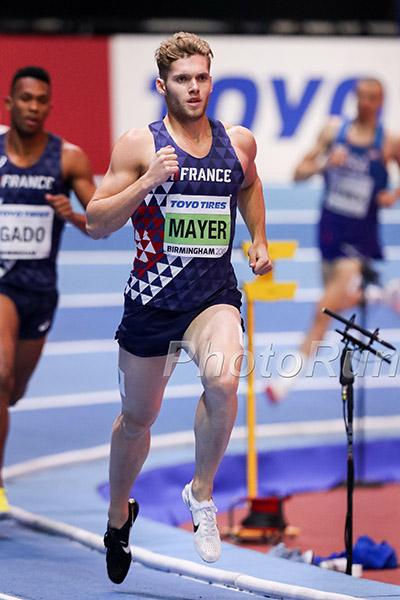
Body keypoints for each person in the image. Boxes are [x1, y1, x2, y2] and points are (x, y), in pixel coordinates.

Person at [86, 31, 272, 583]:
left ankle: (202, 492)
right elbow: (95, 221)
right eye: (183, 79)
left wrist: (259, 238)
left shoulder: (237, 142)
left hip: (212, 296)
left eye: (202, 77)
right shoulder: (139, 145)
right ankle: (118, 515)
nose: (194, 87)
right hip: (152, 302)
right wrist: (148, 180)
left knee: (224, 380)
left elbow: (249, 185)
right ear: (161, 85)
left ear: (211, 80)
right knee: (137, 420)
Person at [266, 78, 400, 402]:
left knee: (323, 308)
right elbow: (298, 172)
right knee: (334, 304)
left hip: (359, 239)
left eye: (372, 97)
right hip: (329, 232)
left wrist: (392, 196)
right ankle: (379, 294)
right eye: (361, 96)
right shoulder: (334, 132)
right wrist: (324, 163)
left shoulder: (388, 143)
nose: (365, 102)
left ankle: (286, 381)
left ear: (380, 101)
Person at [0, 66, 96, 514]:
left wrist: (71, 215)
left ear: (50, 106)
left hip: (39, 290)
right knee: (0, 377)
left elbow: (101, 221)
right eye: (25, 99)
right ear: (9, 103)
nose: (33, 107)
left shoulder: (67, 159)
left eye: (41, 100)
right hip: (2, 284)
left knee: (13, 391)